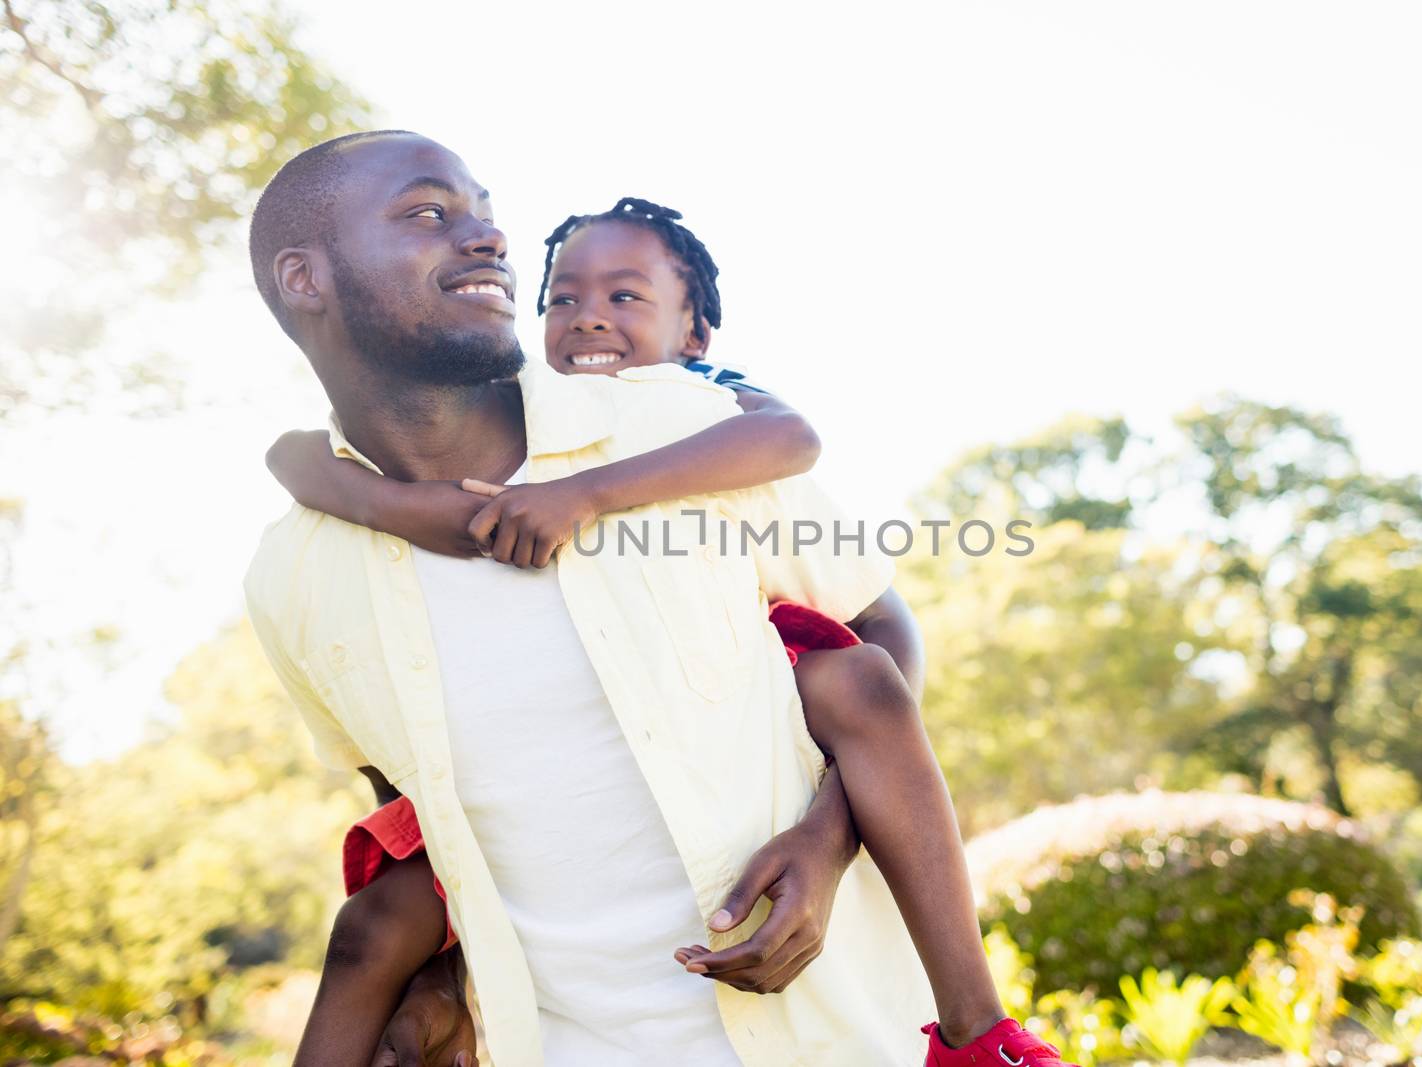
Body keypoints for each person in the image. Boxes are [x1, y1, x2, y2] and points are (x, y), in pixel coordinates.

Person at [267, 195, 1065, 1067]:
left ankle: (981, 1034)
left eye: (625, 298)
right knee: (374, 923)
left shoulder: (700, 407)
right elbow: (292, 454)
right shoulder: (347, 543)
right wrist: (386, 503)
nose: (589, 320)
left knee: (856, 681)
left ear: (697, 335)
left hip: (779, 671)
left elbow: (800, 449)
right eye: (563, 300)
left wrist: (586, 496)